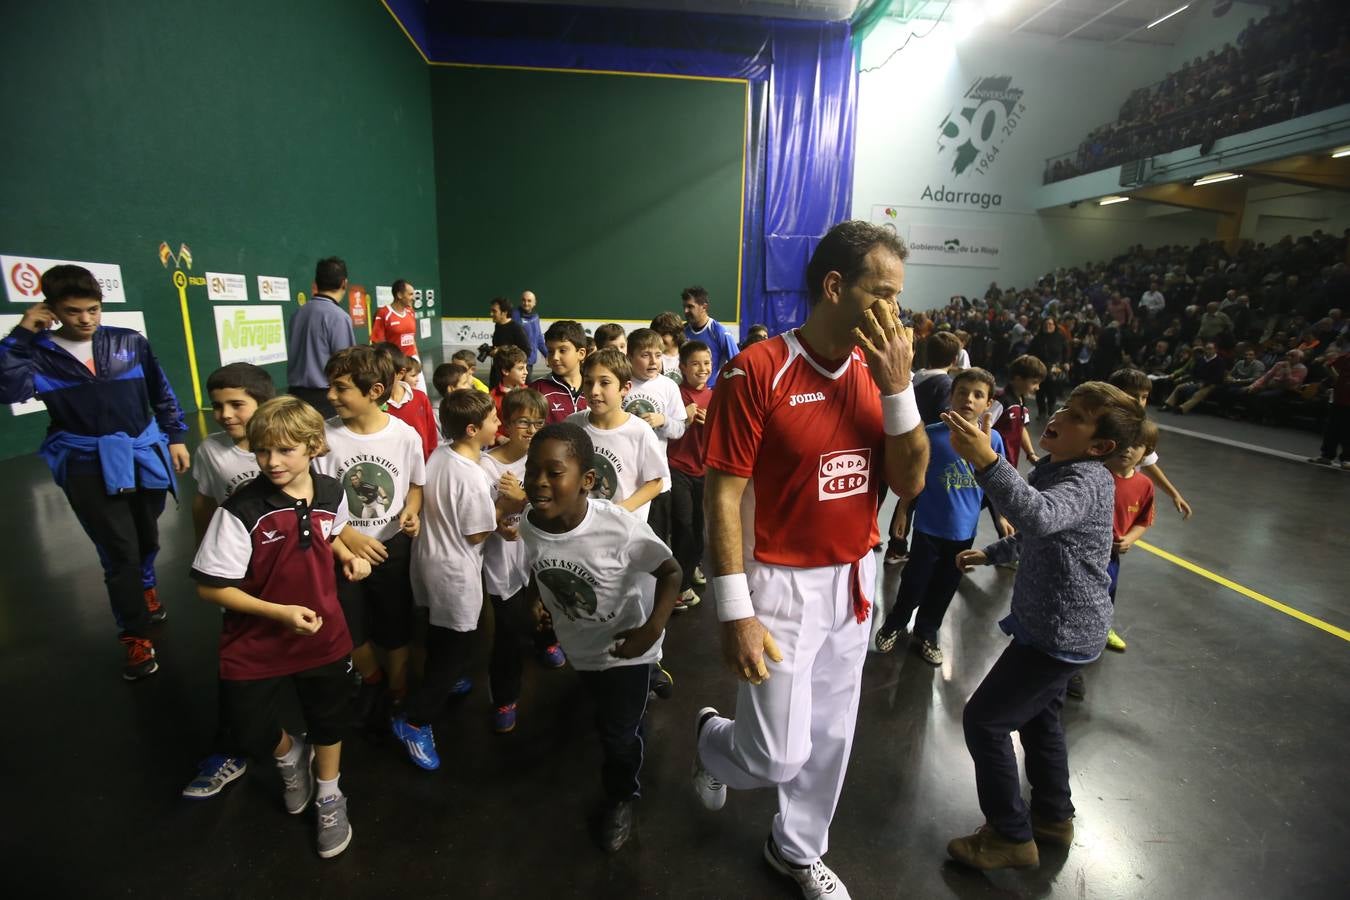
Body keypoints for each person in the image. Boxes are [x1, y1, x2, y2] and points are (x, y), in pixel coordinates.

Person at [692, 220, 928, 900]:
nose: (895, 313)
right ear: (834, 286)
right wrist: (734, 610)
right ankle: (713, 739)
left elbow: (910, 481)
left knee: (829, 737)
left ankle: (794, 849)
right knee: (774, 753)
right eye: (883, 294)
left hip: (853, 577)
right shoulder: (757, 370)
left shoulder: (878, 376)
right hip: (778, 583)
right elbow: (725, 493)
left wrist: (898, 391)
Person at [941, 382, 1144, 870]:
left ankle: (1010, 835)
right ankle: (1053, 816)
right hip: (1056, 627)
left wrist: (989, 462)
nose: (1059, 415)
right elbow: (1044, 536)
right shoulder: (1058, 468)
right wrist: (992, 553)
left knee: (985, 721)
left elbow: (1038, 515)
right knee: (1040, 719)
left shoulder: (1087, 480)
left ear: (1100, 447)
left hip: (1059, 634)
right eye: (1064, 406)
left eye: (1076, 416)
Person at [190, 395, 372, 859]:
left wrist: (348, 557)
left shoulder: (332, 491)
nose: (271, 462)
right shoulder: (241, 510)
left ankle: (330, 793)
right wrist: (280, 613)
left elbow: (327, 533)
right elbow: (210, 588)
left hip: (325, 632)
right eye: (262, 450)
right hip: (255, 639)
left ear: (313, 447)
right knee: (248, 728)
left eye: (285, 450)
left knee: (329, 717)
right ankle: (290, 755)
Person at [0, 264, 190, 679]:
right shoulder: (35, 352)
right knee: (118, 550)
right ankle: (134, 636)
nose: (85, 319)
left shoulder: (129, 341)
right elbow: (8, 391)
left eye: (93, 309)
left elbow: (161, 389)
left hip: (143, 453)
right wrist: (20, 335)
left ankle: (145, 584)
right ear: (50, 309)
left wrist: (175, 434)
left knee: (146, 536)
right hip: (86, 464)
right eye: (72, 311)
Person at [518, 423, 683, 853]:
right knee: (604, 705)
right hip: (581, 648)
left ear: (587, 481)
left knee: (618, 736)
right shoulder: (531, 522)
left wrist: (650, 631)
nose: (538, 481)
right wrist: (538, 599)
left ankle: (621, 796)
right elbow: (540, 565)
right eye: (532, 470)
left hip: (625, 650)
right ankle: (648, 682)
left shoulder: (618, 529)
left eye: (554, 473)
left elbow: (671, 572)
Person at [392, 389, 510, 771]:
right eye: (494, 420)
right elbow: (477, 534)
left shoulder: (440, 454)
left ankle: (448, 677)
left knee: (440, 631)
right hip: (455, 572)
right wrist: (508, 506)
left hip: (427, 561)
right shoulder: (473, 477)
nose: (499, 425)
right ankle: (415, 719)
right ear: (473, 429)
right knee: (458, 643)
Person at [316, 346, 426, 732]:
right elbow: (314, 500)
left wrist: (411, 512)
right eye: (330, 386)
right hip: (340, 547)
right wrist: (346, 537)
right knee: (349, 625)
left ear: (375, 390)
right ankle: (372, 679)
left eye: (341, 388)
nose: (330, 396)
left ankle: (396, 689)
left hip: (392, 547)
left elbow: (414, 487)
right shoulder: (323, 437)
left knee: (395, 624)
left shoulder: (405, 436)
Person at [182, 362, 275, 800]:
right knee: (237, 670)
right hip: (243, 581)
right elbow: (203, 504)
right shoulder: (210, 451)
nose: (225, 413)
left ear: (264, 403)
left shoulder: (290, 443)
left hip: (294, 577)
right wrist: (209, 556)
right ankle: (230, 749)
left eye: (237, 403)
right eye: (218, 405)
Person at [875, 368, 1005, 662]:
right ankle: (895, 622)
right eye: (962, 392)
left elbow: (997, 482)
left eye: (978, 395)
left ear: (988, 404)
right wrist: (904, 512)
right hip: (928, 529)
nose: (969, 399)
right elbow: (914, 480)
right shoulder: (931, 435)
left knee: (946, 585)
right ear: (951, 396)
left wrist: (1001, 517)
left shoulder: (992, 441)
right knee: (914, 581)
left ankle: (928, 631)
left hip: (964, 532)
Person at [480, 389, 566, 735]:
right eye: (522, 422)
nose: (530, 430)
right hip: (503, 561)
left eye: (537, 423)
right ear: (507, 422)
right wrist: (502, 513)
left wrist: (523, 498)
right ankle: (504, 696)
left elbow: (561, 507)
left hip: (540, 557)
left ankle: (547, 641)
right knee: (508, 632)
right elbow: (481, 516)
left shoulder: (547, 459)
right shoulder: (487, 465)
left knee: (548, 607)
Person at [1066, 418, 1158, 701]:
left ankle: (1097, 634)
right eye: (1124, 443)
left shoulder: (1144, 486)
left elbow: (1144, 520)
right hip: (1080, 555)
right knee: (1074, 608)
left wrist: (1129, 539)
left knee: (1102, 603)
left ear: (1147, 452)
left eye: (1137, 445)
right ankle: (1070, 668)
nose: (1128, 450)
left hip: (1111, 558)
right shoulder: (1092, 475)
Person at [565, 349, 667, 522]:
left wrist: (620, 511)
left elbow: (655, 482)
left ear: (625, 388)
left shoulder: (640, 432)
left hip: (623, 530)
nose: (594, 391)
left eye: (604, 383)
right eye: (589, 383)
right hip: (580, 525)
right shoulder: (572, 425)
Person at [623, 328, 688, 543]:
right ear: (630, 356)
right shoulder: (621, 384)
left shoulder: (668, 386)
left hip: (657, 481)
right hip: (625, 480)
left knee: (655, 542)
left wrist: (664, 421)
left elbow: (679, 429)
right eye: (645, 355)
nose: (653, 361)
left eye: (658, 355)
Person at [1107, 369, 1195, 519]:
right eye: (1133, 396)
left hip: (1124, 497)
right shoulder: (1099, 425)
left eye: (1144, 397)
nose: (1139, 402)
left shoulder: (1140, 428)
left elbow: (1149, 463)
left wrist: (1174, 494)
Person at [667, 340, 713, 611]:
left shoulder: (716, 396)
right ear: (683, 367)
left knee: (699, 529)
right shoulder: (675, 394)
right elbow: (666, 425)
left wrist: (713, 424)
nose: (702, 368)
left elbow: (726, 434)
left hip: (704, 472)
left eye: (706, 363)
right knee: (683, 527)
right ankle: (679, 586)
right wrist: (683, 418)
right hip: (677, 468)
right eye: (695, 363)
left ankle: (691, 565)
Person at [287, 257, 355, 417]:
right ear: (344, 283)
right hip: (325, 399)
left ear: (316, 283)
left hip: (295, 397)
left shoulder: (298, 313)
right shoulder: (339, 317)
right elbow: (345, 364)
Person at [374, 343, 438, 460]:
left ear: (400, 374)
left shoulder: (420, 398)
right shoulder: (373, 404)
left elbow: (431, 439)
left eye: (383, 372)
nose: (377, 378)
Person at [530, 319, 589, 424]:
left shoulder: (594, 388)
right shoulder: (537, 389)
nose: (555, 357)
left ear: (581, 354)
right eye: (550, 351)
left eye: (562, 350)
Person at [682, 286, 739, 388]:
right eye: (684, 307)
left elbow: (738, 363)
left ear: (704, 307)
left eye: (690, 307)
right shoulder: (682, 331)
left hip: (711, 393)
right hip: (685, 394)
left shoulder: (719, 331)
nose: (686, 311)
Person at [1308, 345, 1350, 469]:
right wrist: (1337, 380)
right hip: (1338, 398)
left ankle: (1347, 458)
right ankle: (1326, 456)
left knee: (1347, 430)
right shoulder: (1345, 357)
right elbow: (1328, 365)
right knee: (1332, 428)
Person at [370, 279, 419, 363]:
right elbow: (377, 343)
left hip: (412, 360)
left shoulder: (410, 312)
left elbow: (412, 339)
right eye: (410, 294)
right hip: (394, 362)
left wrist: (417, 359)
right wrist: (389, 363)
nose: (413, 298)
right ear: (399, 295)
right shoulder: (383, 313)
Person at [487, 297, 531, 389]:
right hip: (497, 376)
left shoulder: (516, 329)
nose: (491, 314)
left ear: (504, 312)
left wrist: (500, 351)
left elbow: (526, 351)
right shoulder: (498, 326)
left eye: (494, 311)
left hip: (511, 382)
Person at [489, 345, 530, 438]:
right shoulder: (491, 398)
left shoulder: (531, 392)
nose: (526, 372)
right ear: (505, 371)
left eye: (526, 368)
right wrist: (499, 437)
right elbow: (486, 426)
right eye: (520, 368)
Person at [512, 289, 546, 370]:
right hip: (516, 362)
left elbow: (538, 338)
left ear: (534, 303)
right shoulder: (514, 315)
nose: (526, 303)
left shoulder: (535, 317)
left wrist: (547, 355)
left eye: (529, 301)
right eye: (524, 300)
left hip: (530, 362)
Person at [650, 311, 685, 377]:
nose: (659, 338)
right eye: (656, 334)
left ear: (676, 334)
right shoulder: (652, 359)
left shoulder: (689, 356)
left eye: (663, 334)